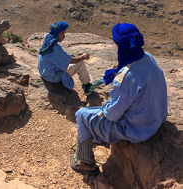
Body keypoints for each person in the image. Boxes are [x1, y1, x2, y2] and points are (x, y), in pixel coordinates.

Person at [70, 23, 168, 176]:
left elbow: (112, 114)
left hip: (138, 129)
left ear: (121, 46)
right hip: (157, 118)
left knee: (82, 115)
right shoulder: (148, 58)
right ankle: (95, 137)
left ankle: (84, 162)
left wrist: (107, 103)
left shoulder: (126, 77)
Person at [38, 21, 99, 95]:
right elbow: (71, 60)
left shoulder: (47, 40)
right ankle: (87, 86)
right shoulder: (55, 48)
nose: (64, 36)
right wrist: (82, 57)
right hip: (53, 77)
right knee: (80, 63)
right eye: (63, 33)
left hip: (44, 73)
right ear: (58, 33)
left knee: (74, 60)